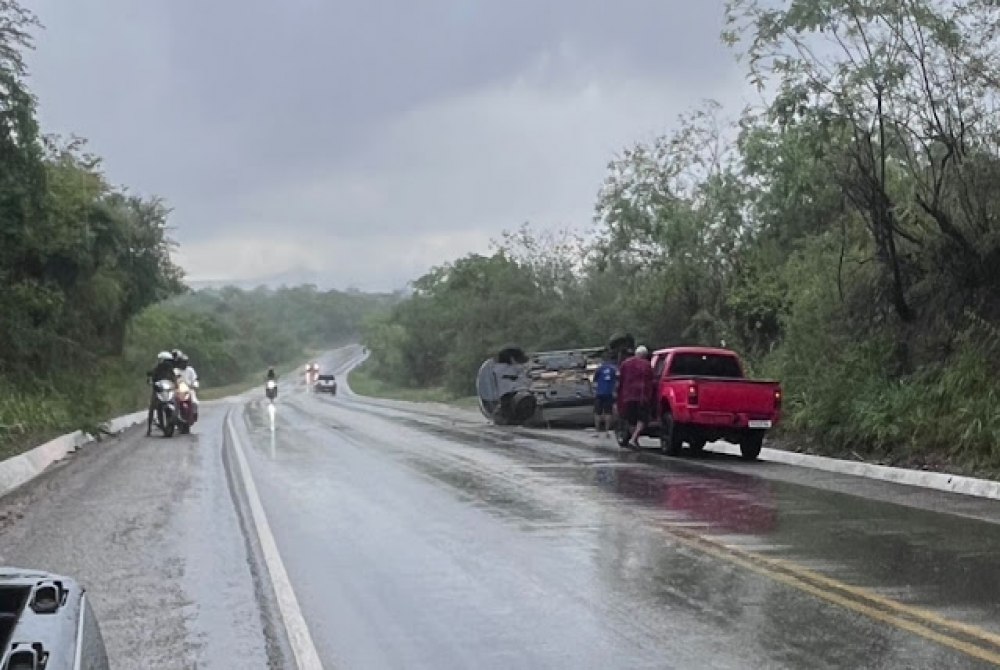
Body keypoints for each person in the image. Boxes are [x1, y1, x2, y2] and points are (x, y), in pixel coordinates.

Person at [617, 345, 653, 448]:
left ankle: (634, 439)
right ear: (644, 355)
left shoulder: (625, 363)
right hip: (641, 396)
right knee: (642, 419)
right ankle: (633, 439)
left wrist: (619, 395)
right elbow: (650, 380)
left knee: (631, 419)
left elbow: (620, 380)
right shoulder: (647, 365)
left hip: (627, 396)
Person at [147, 351, 177, 436]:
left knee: (175, 400)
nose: (168, 363)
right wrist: (153, 383)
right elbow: (152, 377)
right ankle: (149, 428)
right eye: (167, 361)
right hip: (159, 389)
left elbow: (174, 378)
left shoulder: (170, 370)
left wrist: (175, 384)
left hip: (168, 390)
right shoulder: (157, 369)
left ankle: (176, 418)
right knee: (152, 406)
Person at [592, 352, 618, 437]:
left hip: (600, 392)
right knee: (608, 412)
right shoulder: (614, 369)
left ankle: (597, 431)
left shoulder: (599, 369)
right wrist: (615, 391)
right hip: (609, 393)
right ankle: (607, 431)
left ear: (602, 359)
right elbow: (617, 381)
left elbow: (595, 382)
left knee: (597, 412)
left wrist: (594, 391)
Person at [175, 352, 199, 418]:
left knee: (194, 401)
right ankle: (174, 415)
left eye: (185, 362)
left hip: (189, 389)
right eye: (182, 362)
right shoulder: (176, 371)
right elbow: (173, 379)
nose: (184, 364)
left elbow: (194, 379)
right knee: (173, 402)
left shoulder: (190, 370)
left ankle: (194, 413)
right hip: (178, 390)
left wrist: (195, 385)